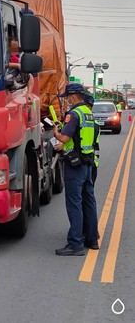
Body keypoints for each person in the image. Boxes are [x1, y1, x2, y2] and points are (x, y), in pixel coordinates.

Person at [53, 83, 99, 256]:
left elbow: (64, 138)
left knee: (74, 203)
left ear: (73, 97)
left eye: (68, 97)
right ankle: (92, 239)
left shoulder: (73, 114)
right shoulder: (88, 113)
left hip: (75, 165)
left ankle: (75, 244)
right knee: (89, 201)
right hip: (88, 163)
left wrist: (57, 133)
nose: (67, 100)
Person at [6, 35, 34, 103]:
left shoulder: (16, 59)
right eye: (12, 49)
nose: (15, 52)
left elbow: (29, 77)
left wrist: (29, 93)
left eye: (16, 49)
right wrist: (15, 65)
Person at [84, 93, 100, 185]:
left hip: (87, 162)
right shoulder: (94, 121)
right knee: (89, 192)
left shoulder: (89, 123)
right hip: (92, 162)